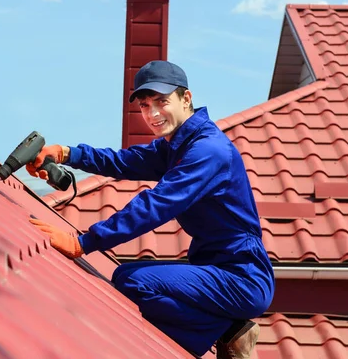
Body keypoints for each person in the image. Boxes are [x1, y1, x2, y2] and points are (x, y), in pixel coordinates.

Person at [27, 60, 275, 359]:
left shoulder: (207, 151)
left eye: (162, 102)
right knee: (124, 276)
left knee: (136, 283)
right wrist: (67, 153)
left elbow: (158, 204)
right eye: (145, 105)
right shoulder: (177, 146)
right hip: (214, 271)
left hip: (241, 278)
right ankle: (228, 329)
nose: (153, 113)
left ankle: (230, 332)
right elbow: (124, 161)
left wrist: (84, 242)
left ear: (186, 98)